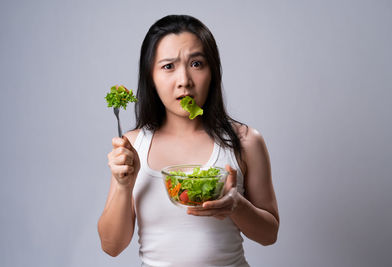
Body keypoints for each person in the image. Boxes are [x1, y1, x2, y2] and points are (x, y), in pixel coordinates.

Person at [98, 15, 279, 267]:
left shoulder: (246, 141)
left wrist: (237, 206)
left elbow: (269, 234)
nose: (184, 80)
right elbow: (111, 246)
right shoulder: (132, 145)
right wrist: (122, 185)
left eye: (196, 63)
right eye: (168, 66)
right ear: (150, 77)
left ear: (212, 71)